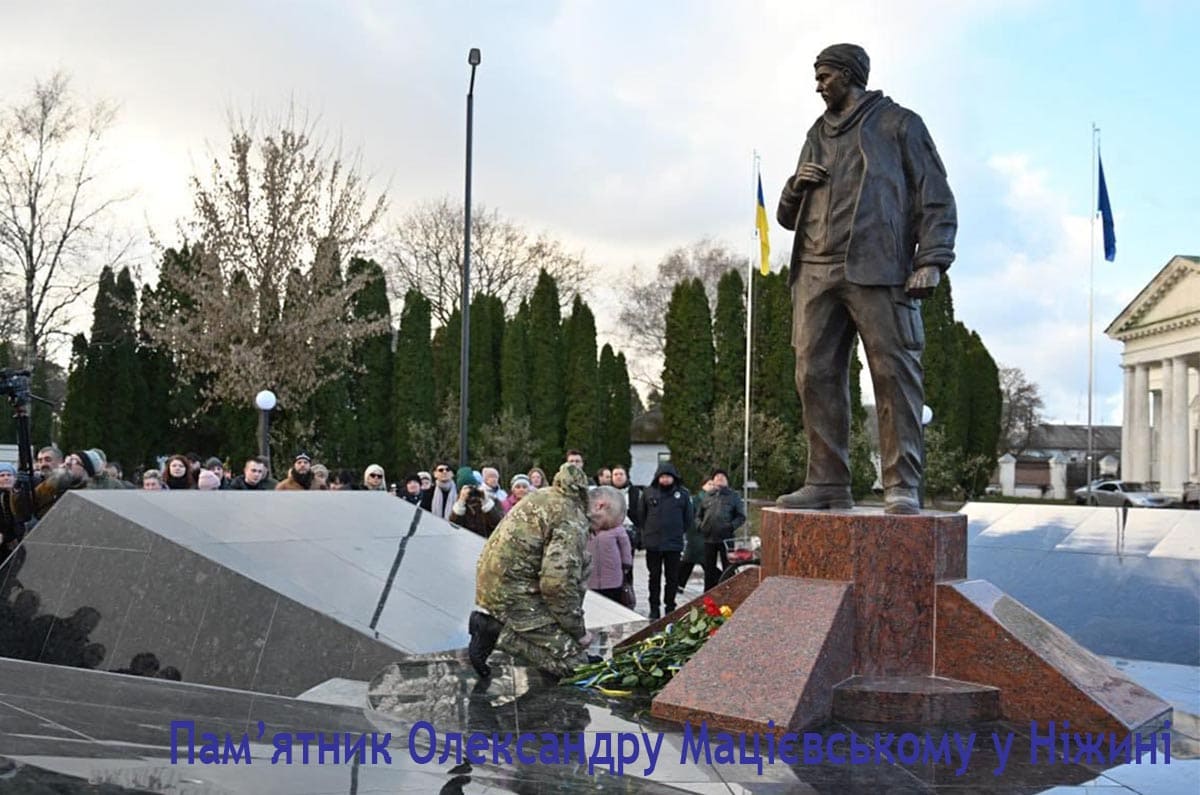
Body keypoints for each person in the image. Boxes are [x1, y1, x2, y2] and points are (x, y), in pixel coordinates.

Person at [776, 43, 956, 516]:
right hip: (815, 268)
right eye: (817, 77)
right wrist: (795, 185)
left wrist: (931, 259)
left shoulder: (899, 123)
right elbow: (785, 216)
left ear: (850, 75)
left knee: (893, 373)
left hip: (879, 268)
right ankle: (827, 482)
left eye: (825, 76)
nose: (818, 86)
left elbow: (934, 195)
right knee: (812, 374)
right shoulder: (816, 132)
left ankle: (902, 484)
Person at [468, 463, 598, 679]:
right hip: (512, 594)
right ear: (601, 506)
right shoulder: (571, 517)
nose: (599, 532)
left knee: (584, 562)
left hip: (499, 584)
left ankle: (496, 625)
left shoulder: (548, 495)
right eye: (607, 525)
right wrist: (579, 632)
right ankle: (495, 631)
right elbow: (556, 585)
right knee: (575, 668)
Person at [637, 462, 692, 619]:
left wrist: (677, 532)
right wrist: (646, 535)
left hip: (673, 544)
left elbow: (688, 519)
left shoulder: (682, 494)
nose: (665, 479)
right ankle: (654, 607)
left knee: (672, 577)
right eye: (663, 476)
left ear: (674, 478)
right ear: (658, 477)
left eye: (668, 477)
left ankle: (670, 606)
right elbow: (642, 516)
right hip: (653, 544)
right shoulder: (648, 493)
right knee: (654, 577)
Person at [698, 469, 747, 590]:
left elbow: (741, 516)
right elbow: (698, 515)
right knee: (709, 569)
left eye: (722, 477)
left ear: (727, 481)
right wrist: (700, 526)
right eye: (717, 477)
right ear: (713, 481)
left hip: (727, 538)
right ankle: (707, 594)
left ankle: (728, 592)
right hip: (709, 538)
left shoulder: (733, 496)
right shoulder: (707, 496)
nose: (719, 478)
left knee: (728, 568)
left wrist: (730, 526)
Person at [586, 486, 632, 603]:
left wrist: (626, 563)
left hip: (612, 576)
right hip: (591, 577)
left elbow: (625, 546)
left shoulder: (616, 528)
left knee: (613, 601)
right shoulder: (586, 528)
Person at [611, 466, 642, 549]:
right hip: (611, 531)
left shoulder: (636, 492)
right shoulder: (607, 492)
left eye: (621, 474)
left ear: (626, 476)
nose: (618, 476)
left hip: (630, 530)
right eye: (615, 474)